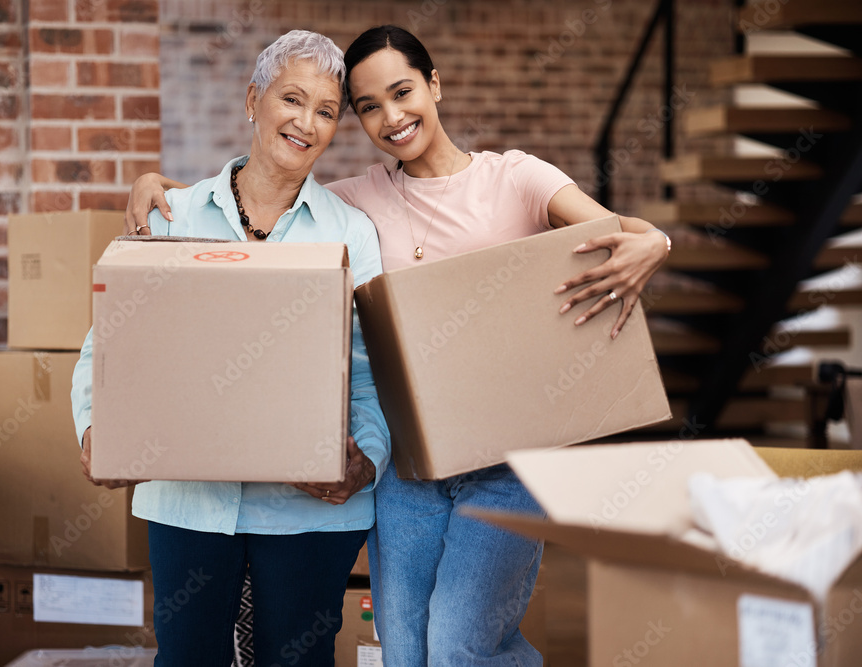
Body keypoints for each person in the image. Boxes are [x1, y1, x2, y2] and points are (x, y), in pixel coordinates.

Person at [125, 25, 670, 666]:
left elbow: (614, 231)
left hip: (507, 462)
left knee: (460, 644)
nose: (392, 117)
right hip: (412, 470)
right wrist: (153, 184)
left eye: (403, 92)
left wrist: (656, 243)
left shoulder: (516, 178)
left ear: (434, 85)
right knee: (404, 650)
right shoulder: (359, 203)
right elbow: (267, 193)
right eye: (366, 107)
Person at [70, 30, 391, 667]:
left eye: (326, 111)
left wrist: (367, 461)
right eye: (291, 99)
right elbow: (106, 349)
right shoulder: (173, 217)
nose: (305, 123)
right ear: (254, 100)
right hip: (189, 506)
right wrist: (93, 431)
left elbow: (372, 375)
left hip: (309, 516)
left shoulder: (352, 234)